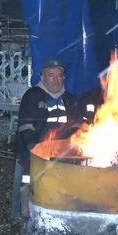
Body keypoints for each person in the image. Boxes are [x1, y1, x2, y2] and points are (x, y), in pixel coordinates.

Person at [15, 56, 78, 218]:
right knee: (33, 177)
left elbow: (78, 127)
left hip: (64, 151)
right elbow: (26, 126)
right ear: (42, 77)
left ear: (64, 78)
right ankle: (29, 213)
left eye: (59, 75)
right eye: (51, 75)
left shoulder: (70, 99)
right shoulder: (32, 96)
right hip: (37, 149)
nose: (55, 79)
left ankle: (67, 210)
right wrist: (34, 147)